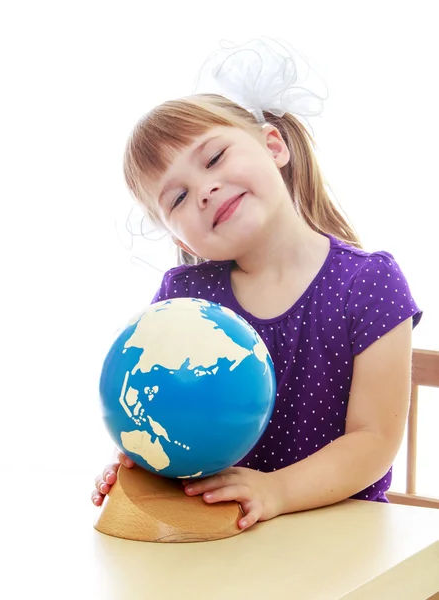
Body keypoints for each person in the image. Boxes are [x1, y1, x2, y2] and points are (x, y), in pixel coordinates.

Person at [91, 39, 421, 530]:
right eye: (178, 198)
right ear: (177, 233)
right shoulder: (184, 297)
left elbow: (373, 441)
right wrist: (144, 459)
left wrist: (277, 490)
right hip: (228, 540)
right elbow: (170, 422)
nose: (204, 191)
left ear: (274, 145)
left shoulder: (369, 284)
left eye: (214, 158)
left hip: (343, 537)